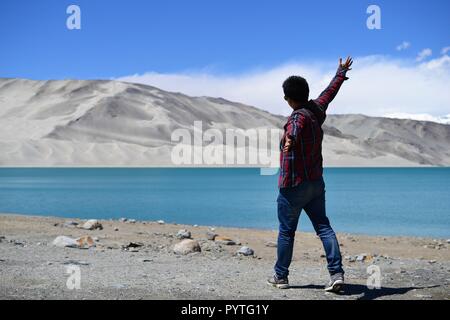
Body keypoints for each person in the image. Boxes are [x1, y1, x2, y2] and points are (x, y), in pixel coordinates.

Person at [267, 57, 353, 293]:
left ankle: (280, 277)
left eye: (286, 97)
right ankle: (336, 274)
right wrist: (340, 72)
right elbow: (330, 92)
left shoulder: (297, 116)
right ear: (305, 93)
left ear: (289, 99)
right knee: (324, 227)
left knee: (286, 232)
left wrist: (290, 140)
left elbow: (294, 128)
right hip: (315, 184)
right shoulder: (317, 108)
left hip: (293, 186)